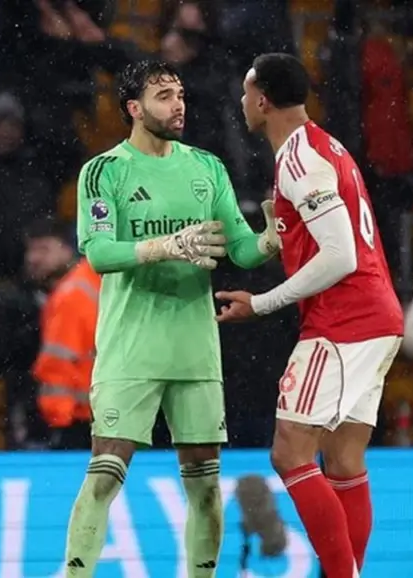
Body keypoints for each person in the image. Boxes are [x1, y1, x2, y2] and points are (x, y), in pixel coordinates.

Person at [63, 59, 280, 577]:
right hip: (130, 346)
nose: (178, 105)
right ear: (134, 108)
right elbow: (99, 254)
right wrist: (164, 246)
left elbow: (239, 248)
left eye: (180, 94)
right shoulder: (105, 171)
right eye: (164, 96)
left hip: (194, 349)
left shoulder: (206, 168)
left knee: (205, 487)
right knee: (104, 476)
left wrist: (270, 241)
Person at [215, 53, 403, 578]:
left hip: (344, 322)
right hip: (377, 316)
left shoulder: (299, 160)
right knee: (342, 461)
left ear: (262, 100)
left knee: (290, 453)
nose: (242, 101)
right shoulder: (327, 146)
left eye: (246, 92)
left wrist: (262, 302)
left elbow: (340, 256)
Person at [26, 218, 100, 450]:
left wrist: (57, 422)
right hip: (107, 413)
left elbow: (57, 365)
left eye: (44, 249)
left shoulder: (70, 294)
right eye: (31, 250)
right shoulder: (92, 280)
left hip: (79, 420)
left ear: (68, 249)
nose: (33, 258)